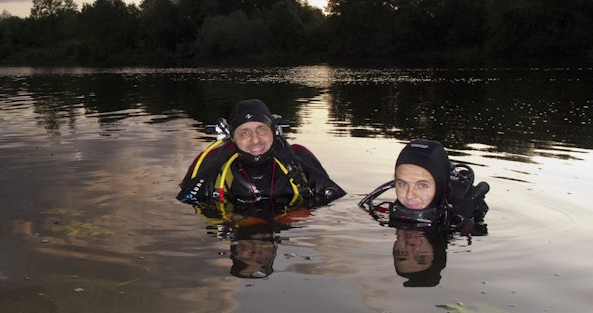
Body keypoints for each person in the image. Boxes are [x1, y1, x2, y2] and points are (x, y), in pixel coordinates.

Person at [177, 99, 345, 207]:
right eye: (244, 132)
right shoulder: (215, 165)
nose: (255, 139)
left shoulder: (299, 158)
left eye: (261, 128)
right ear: (233, 138)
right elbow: (186, 202)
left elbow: (334, 199)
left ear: (273, 131)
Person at [359, 139, 489, 233]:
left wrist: (466, 219)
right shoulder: (377, 210)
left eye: (422, 185)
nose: (410, 195)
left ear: (440, 188)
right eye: (403, 183)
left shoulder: (459, 215)